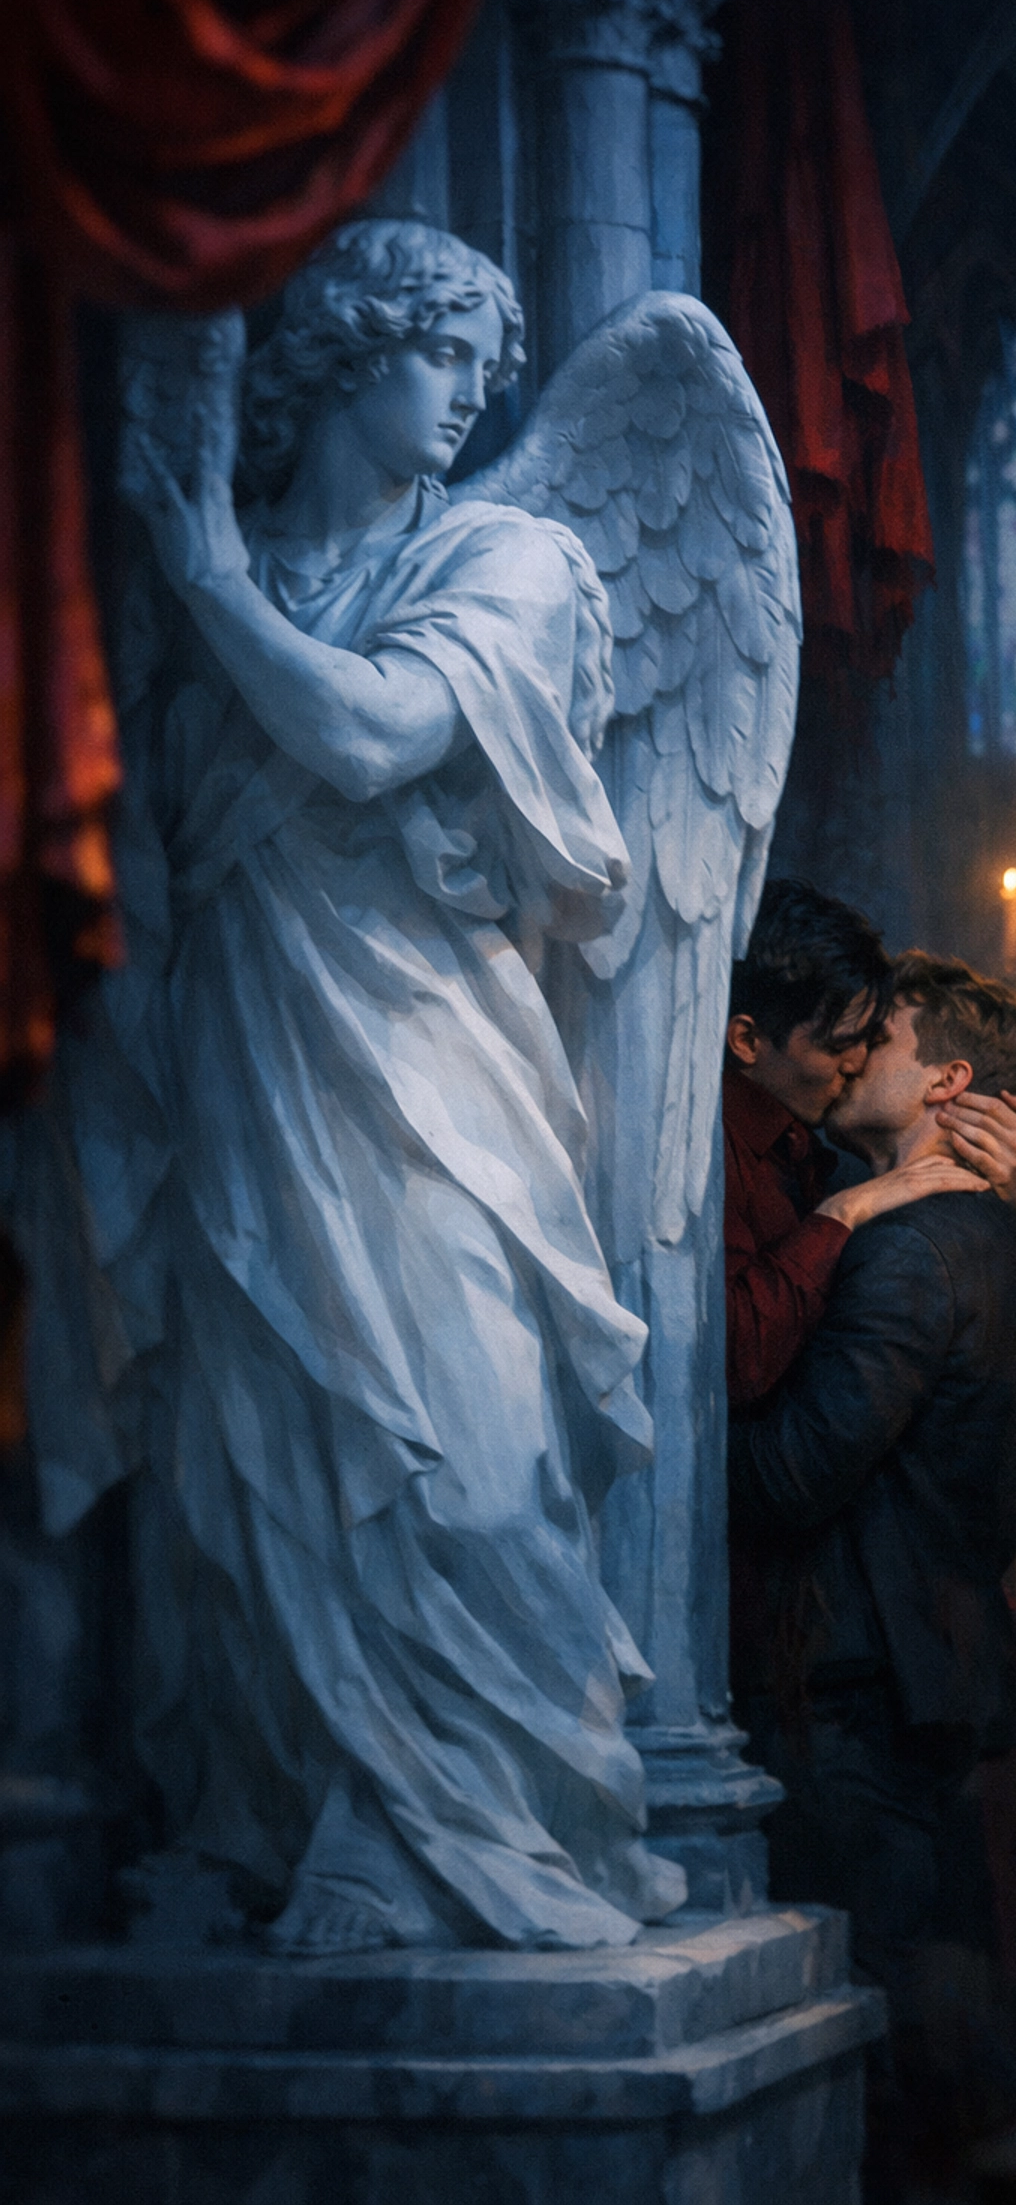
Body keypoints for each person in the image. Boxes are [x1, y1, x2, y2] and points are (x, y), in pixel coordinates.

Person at [47, 220, 689, 1953]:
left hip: (437, 1059)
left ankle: (484, 1810)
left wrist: (199, 577)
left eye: (493, 356)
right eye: (445, 346)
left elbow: (364, 735)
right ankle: (297, 1810)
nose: (479, 385)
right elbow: (154, 848)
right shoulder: (230, 559)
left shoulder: (511, 554)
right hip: (251, 1055)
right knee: (260, 1451)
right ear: (342, 354)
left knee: (469, 1448)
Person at [728, 952, 1016, 2186]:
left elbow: (780, 1484)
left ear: (951, 1082)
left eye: (886, 1036)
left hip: (854, 1699)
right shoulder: (999, 1235)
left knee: (887, 2079)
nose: (854, 1047)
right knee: (941, 2057)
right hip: (931, 1691)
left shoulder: (913, 1248)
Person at [723, 878, 1016, 1411]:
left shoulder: (908, 1234)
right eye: (845, 1039)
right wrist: (845, 1210)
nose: (856, 1061)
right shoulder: (838, 1179)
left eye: (875, 1040)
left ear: (945, 1081)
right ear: (747, 1040)